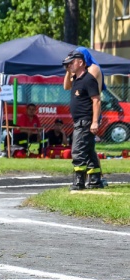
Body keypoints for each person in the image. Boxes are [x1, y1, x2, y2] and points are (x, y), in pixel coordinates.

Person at [62, 49, 103, 190]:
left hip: (85, 121)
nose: (70, 65)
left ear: (81, 62)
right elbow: (65, 86)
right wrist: (68, 70)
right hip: (80, 121)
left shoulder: (88, 78)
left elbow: (96, 101)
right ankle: (95, 180)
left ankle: (79, 181)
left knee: (78, 150)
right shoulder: (76, 79)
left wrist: (95, 121)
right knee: (89, 151)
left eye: (72, 62)